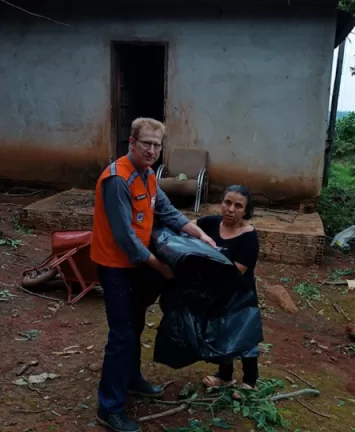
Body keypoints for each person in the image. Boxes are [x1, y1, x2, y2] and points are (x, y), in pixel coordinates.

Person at [90, 117, 216, 432]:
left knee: (133, 325)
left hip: (135, 266)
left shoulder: (147, 176)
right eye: (146, 143)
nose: (151, 150)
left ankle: (131, 379)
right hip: (116, 266)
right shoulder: (117, 179)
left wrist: (197, 233)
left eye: (157, 145)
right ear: (131, 143)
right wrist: (162, 268)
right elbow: (125, 239)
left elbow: (166, 211)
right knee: (122, 334)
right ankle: (109, 407)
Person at [192, 184, 262, 390]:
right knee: (222, 334)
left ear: (246, 211)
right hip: (216, 293)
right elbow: (186, 226)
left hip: (240, 295)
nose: (231, 209)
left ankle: (250, 381)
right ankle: (224, 376)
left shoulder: (248, 237)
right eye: (227, 202)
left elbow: (234, 272)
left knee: (245, 337)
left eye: (238, 206)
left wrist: (199, 270)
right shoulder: (211, 224)